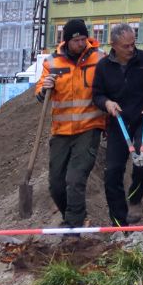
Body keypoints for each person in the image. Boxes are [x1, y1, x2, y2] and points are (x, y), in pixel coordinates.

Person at [92, 24, 143, 227]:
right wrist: (107, 104)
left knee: (142, 155)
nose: (131, 49)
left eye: (133, 44)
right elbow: (97, 95)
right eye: (126, 46)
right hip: (118, 123)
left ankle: (135, 198)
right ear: (114, 46)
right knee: (112, 174)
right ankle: (119, 225)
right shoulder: (103, 67)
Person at [38, 18, 106, 228]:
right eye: (77, 41)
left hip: (89, 128)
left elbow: (111, 85)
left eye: (84, 39)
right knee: (56, 184)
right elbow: (40, 92)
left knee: (75, 179)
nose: (81, 44)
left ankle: (74, 227)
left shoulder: (100, 59)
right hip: (61, 132)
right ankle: (72, 219)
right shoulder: (52, 62)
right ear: (67, 41)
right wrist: (44, 88)